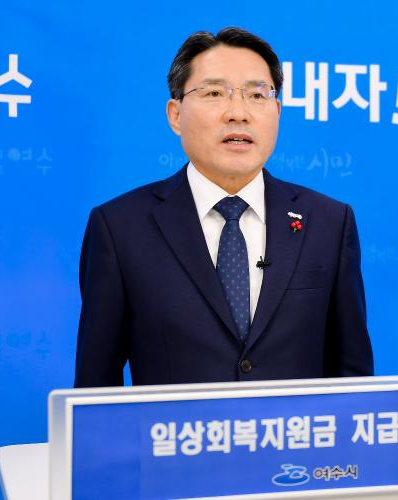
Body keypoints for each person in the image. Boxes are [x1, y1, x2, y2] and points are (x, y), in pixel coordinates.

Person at [74, 27, 373, 387]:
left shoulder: (329, 223)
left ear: (277, 112)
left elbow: (354, 381)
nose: (238, 113)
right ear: (175, 115)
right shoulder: (120, 228)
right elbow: (94, 389)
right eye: (215, 93)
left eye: (257, 95)